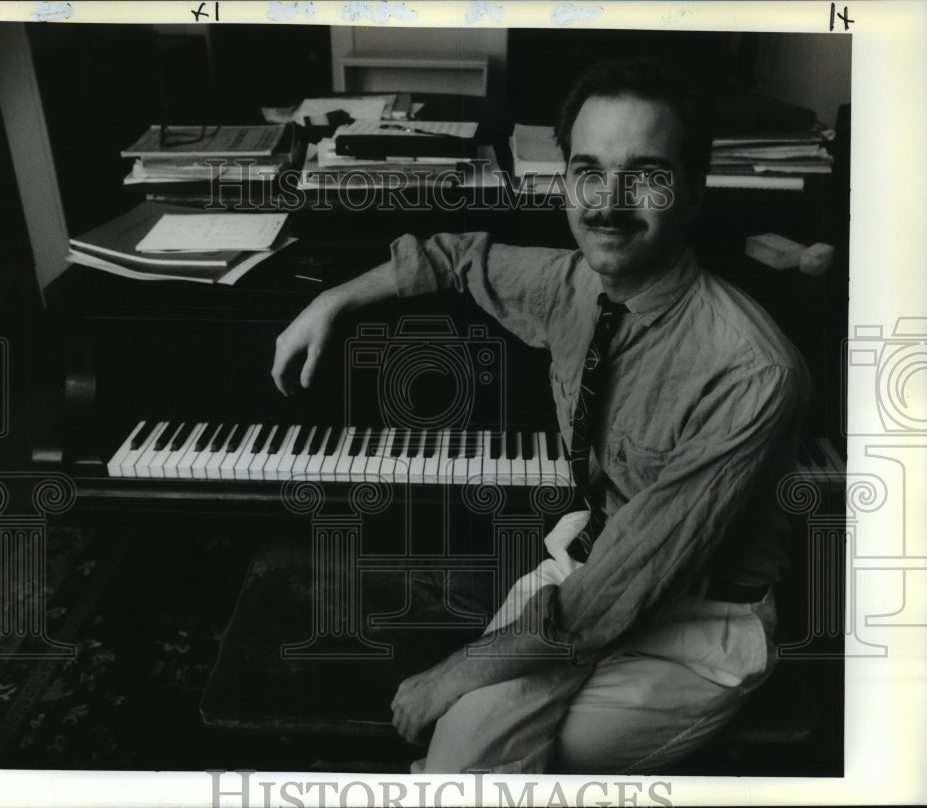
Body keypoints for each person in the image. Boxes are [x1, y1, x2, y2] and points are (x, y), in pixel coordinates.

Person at [270, 57, 810, 773]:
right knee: (472, 741)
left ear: (692, 190)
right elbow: (456, 258)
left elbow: (629, 584)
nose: (607, 204)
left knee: (515, 740)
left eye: (645, 175)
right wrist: (331, 298)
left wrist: (461, 668)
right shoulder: (573, 283)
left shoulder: (753, 369)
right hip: (582, 569)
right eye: (587, 172)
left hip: (702, 621)